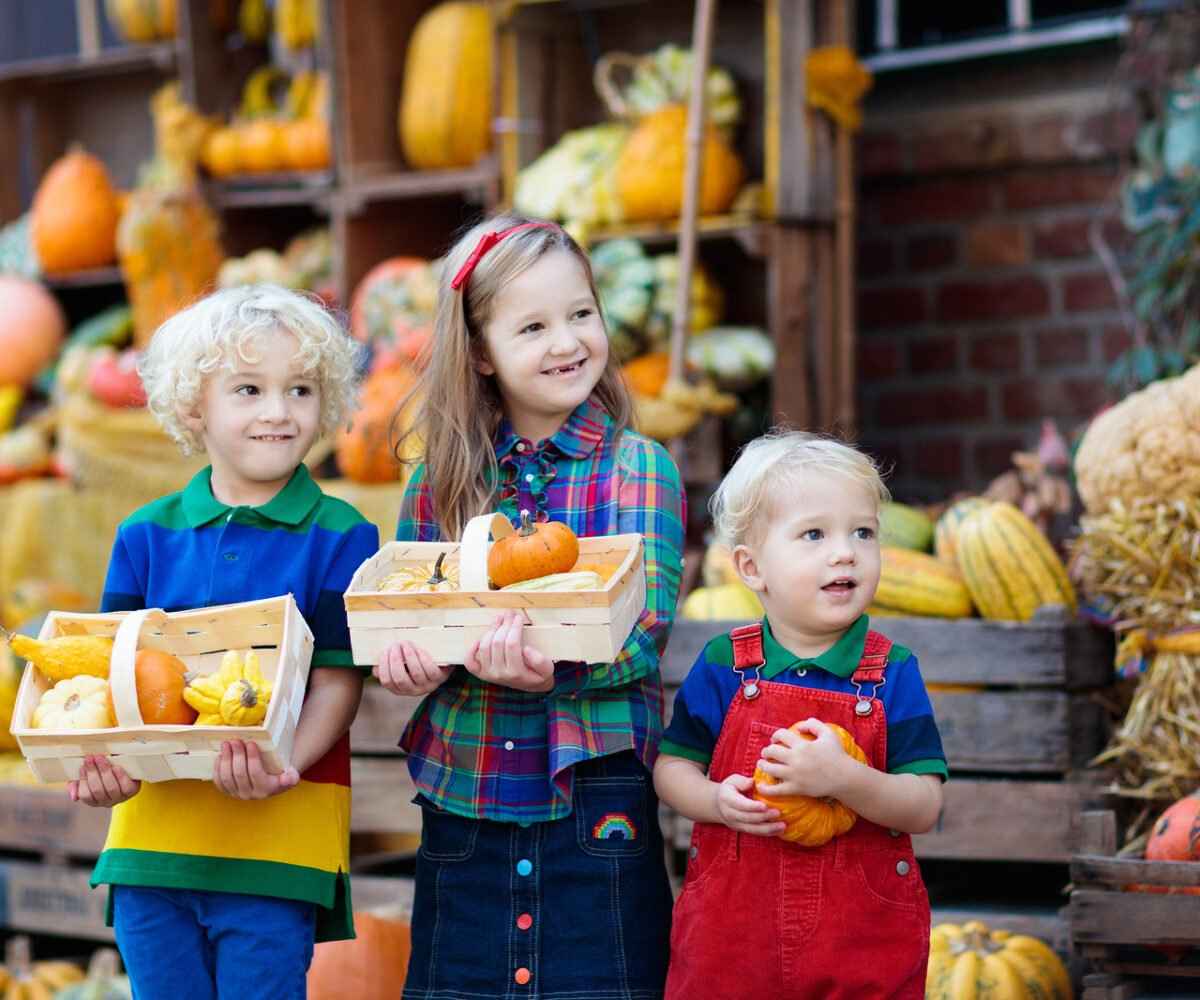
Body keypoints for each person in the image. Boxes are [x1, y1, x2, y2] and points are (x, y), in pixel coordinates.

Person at [376, 216, 684, 998]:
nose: (567, 341)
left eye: (581, 314)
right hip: (464, 800)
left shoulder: (635, 470)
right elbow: (414, 614)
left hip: (595, 800)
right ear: (481, 353)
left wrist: (553, 677)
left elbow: (642, 634)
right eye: (534, 326)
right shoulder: (441, 484)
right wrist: (408, 667)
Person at [67, 285, 379, 1000]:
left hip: (276, 842)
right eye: (248, 389)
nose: (278, 411)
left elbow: (338, 680)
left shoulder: (342, 534)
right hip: (152, 849)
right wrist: (106, 764)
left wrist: (282, 762)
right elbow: (111, 680)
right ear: (192, 407)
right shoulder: (146, 534)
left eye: (300, 389)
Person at [654, 430, 947, 999]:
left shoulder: (892, 673)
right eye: (814, 534)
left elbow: (925, 805)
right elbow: (672, 770)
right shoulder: (724, 665)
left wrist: (847, 780)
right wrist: (714, 801)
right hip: (732, 948)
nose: (845, 552)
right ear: (752, 567)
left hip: (858, 947)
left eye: (863, 532)